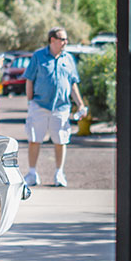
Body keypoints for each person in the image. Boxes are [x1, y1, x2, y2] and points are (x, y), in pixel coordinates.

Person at [24, 27, 86, 187]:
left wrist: (80, 104)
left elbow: (72, 84)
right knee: (34, 140)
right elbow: (29, 79)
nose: (66, 42)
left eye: (66, 39)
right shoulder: (38, 56)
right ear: (52, 40)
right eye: (62, 39)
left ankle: (59, 173)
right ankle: (32, 173)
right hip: (39, 105)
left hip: (61, 108)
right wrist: (30, 101)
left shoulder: (68, 59)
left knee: (60, 141)